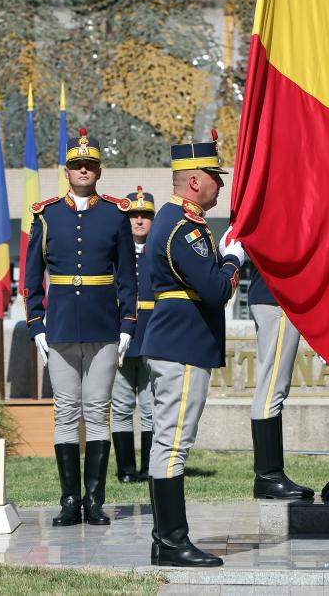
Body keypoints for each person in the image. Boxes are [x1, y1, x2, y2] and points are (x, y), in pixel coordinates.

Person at [24, 128, 137, 527]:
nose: (83, 170)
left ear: (99, 171)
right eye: (77, 165)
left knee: (98, 410)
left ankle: (94, 501)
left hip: (104, 326)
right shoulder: (47, 215)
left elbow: (127, 277)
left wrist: (127, 326)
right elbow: (31, 277)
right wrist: (36, 326)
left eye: (89, 165)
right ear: (66, 171)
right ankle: (69, 501)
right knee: (66, 411)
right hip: (58, 328)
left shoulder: (115, 214)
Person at [141, 133, 245, 568]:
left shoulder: (178, 220)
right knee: (173, 443)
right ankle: (172, 541)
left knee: (168, 441)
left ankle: (164, 541)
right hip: (182, 343)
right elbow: (216, 290)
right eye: (216, 177)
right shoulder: (184, 227)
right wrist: (233, 259)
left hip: (177, 341)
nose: (221, 184)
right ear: (196, 181)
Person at [247, 263, 314, 499]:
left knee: (271, 386)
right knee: (272, 389)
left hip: (270, 293)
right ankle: (269, 476)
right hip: (277, 295)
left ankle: (269, 476)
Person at [111, 186, 156, 483]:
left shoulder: (160, 253)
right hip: (121, 338)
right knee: (121, 406)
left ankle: (150, 468)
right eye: (133, 215)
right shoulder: (114, 254)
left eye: (145, 215)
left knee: (151, 408)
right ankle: (126, 470)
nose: (139, 220)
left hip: (152, 337)